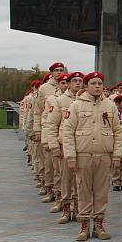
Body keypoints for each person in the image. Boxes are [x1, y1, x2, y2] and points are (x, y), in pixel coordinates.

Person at [62, 72, 122, 241]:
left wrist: (117, 156)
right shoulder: (76, 106)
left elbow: (118, 132)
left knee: (101, 192)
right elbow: (67, 133)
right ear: (86, 86)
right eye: (93, 83)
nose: (97, 86)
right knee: (83, 190)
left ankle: (99, 225)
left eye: (99, 83)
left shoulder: (110, 106)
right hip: (83, 156)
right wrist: (71, 157)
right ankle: (84, 226)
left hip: (103, 156)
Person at [44, 72, 83, 223]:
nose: (77, 84)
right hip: (64, 144)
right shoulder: (59, 101)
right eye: (74, 81)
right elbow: (51, 124)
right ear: (68, 83)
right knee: (65, 179)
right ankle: (66, 209)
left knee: (80, 180)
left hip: (81, 145)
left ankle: (79, 209)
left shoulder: (84, 101)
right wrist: (54, 146)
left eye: (80, 81)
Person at [40, 73, 68, 206]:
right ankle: (57, 197)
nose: (66, 85)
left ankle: (71, 203)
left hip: (73, 142)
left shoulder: (78, 99)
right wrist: (47, 141)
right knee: (56, 171)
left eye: (68, 82)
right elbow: (47, 121)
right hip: (57, 140)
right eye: (62, 83)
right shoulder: (52, 99)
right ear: (57, 84)